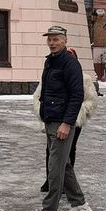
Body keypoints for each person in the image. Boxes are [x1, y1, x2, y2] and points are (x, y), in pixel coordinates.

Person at [29, 26, 90, 211]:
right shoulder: (50, 61)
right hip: (51, 119)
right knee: (64, 164)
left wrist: (67, 123)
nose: (52, 43)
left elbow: (77, 96)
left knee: (55, 166)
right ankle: (80, 204)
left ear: (65, 40)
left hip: (62, 123)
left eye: (56, 39)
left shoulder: (70, 63)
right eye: (50, 39)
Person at [34, 47, 98, 193]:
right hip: (54, 118)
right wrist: (43, 113)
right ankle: (51, 180)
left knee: (69, 151)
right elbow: (39, 96)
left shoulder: (84, 79)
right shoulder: (51, 74)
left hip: (73, 120)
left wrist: (79, 114)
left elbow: (90, 101)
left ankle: (65, 185)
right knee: (51, 151)